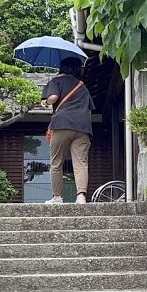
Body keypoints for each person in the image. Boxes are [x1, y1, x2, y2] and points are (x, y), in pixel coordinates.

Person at [41, 56, 95, 204]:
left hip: (62, 124)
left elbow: (53, 97)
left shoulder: (56, 81)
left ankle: (57, 197)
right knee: (81, 163)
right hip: (83, 127)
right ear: (78, 69)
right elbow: (89, 110)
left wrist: (45, 102)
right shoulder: (82, 86)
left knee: (56, 162)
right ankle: (81, 196)